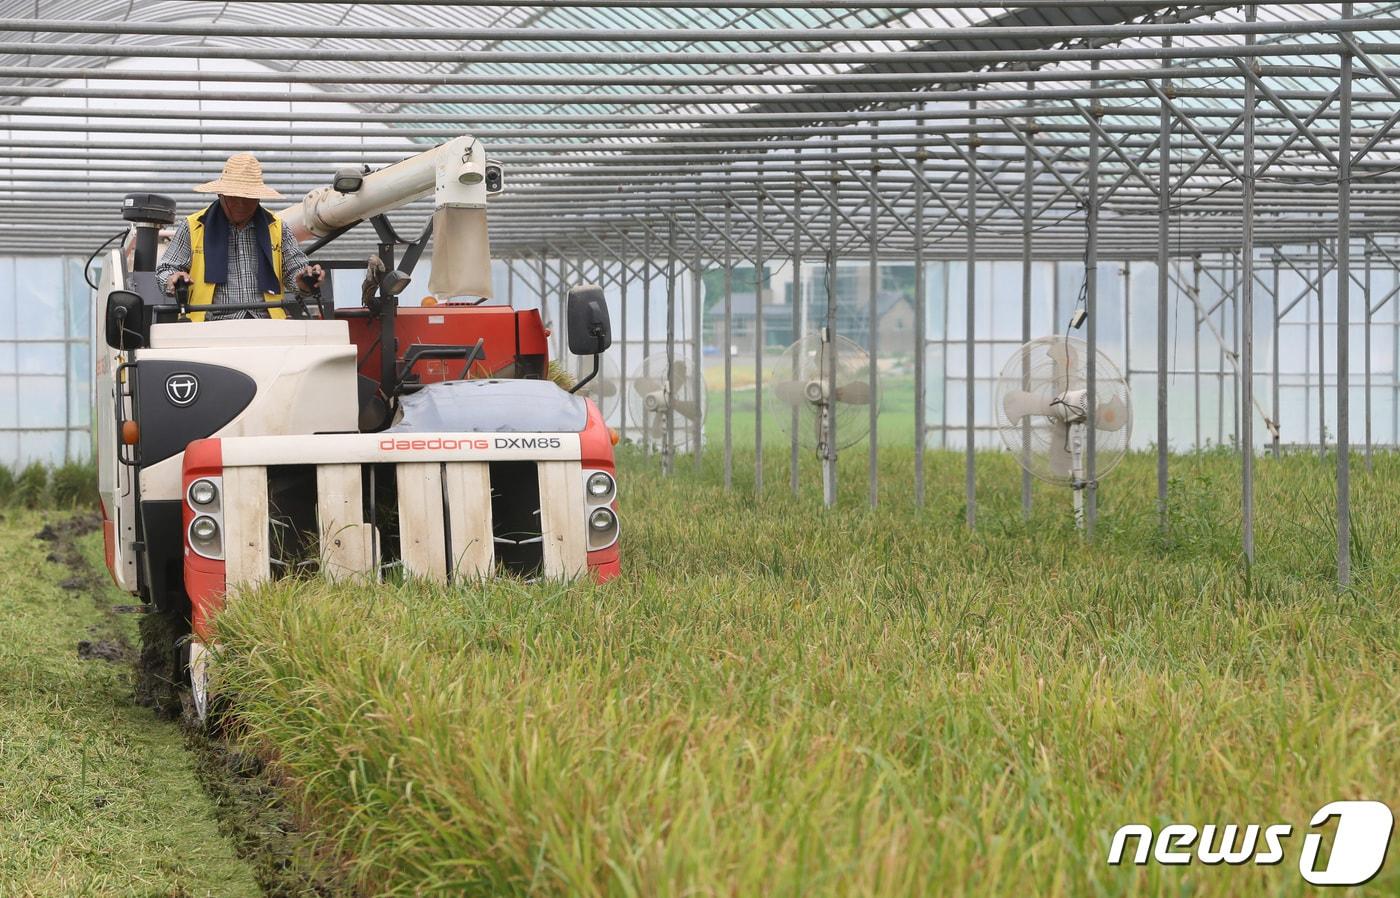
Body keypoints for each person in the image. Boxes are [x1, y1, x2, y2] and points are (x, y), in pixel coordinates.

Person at [155, 153, 325, 322]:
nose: (241, 205)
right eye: (235, 198)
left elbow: (295, 271)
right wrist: (173, 278)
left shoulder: (277, 227)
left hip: (267, 323)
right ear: (220, 194)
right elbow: (166, 269)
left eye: (248, 198)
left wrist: (304, 280)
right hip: (210, 323)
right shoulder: (193, 226)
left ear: (258, 198)